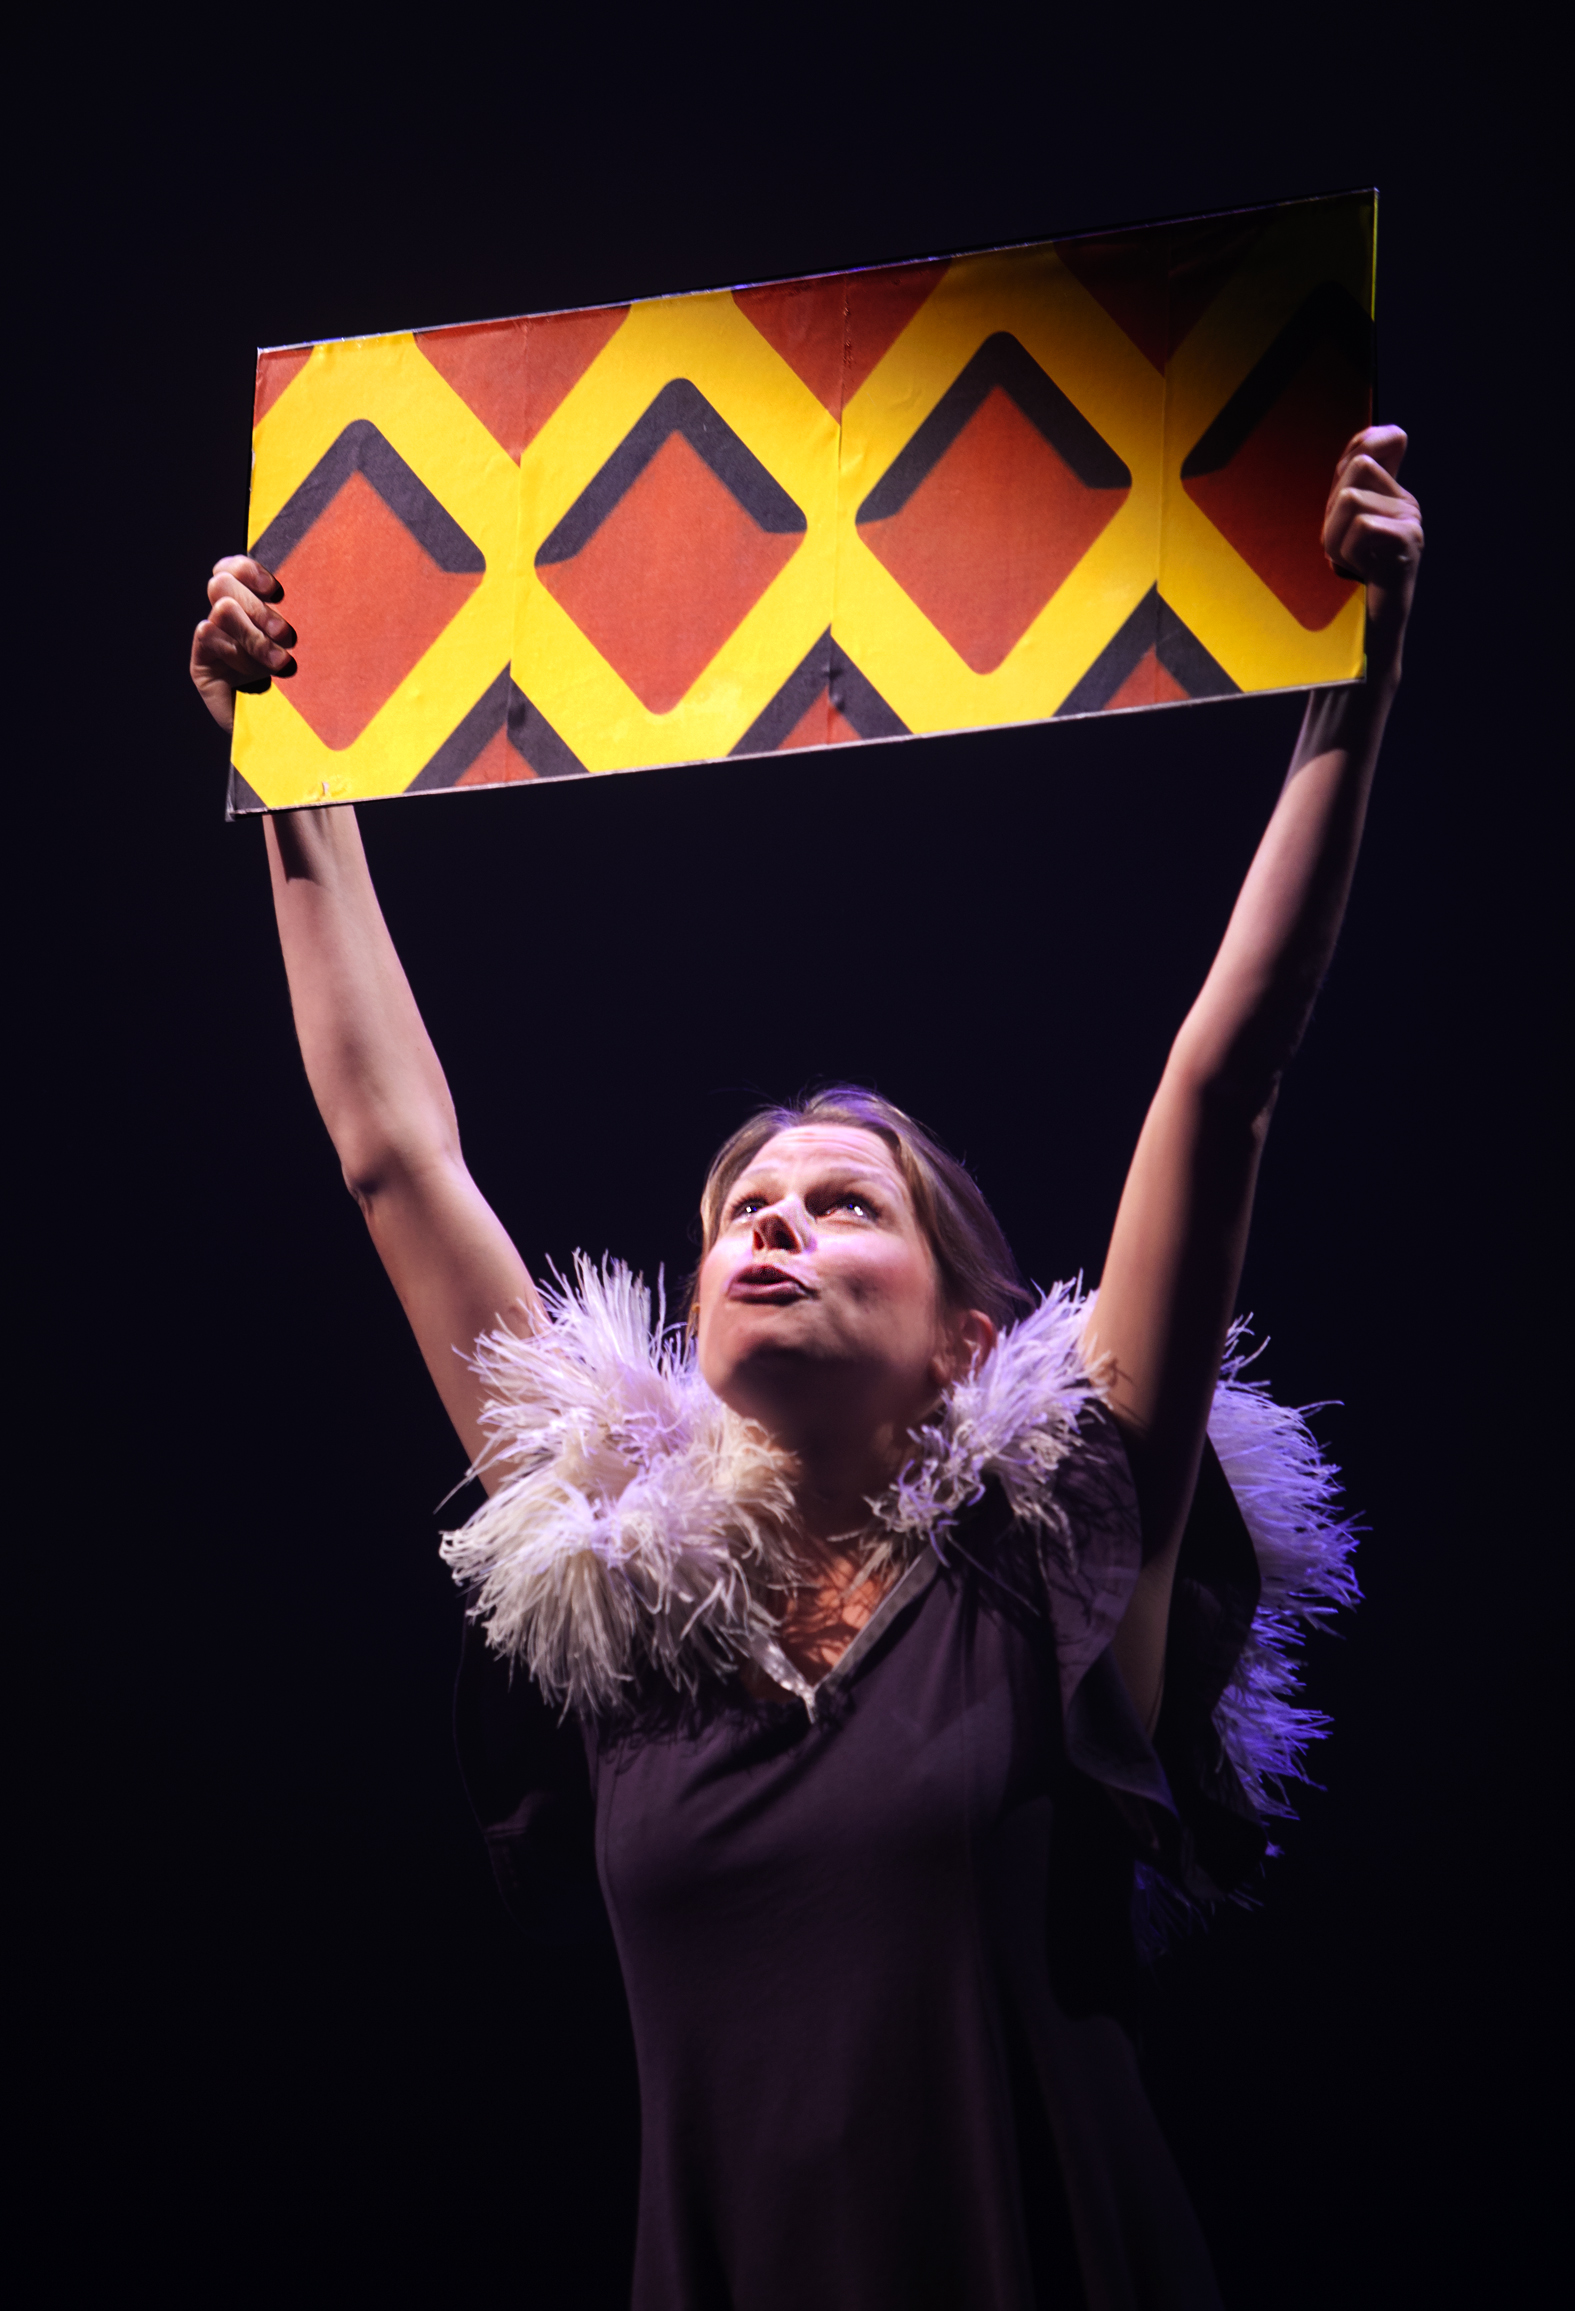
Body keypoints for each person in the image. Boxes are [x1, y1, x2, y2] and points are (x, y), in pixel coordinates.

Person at [190, 426, 1423, 2308]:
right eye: (742, 1209)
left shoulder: (1057, 1560)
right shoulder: (625, 1603)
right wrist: (292, 769)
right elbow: (394, 1159)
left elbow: (1225, 1077)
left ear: (969, 1336)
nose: (773, 1226)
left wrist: (1363, 671)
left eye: (846, 1206)